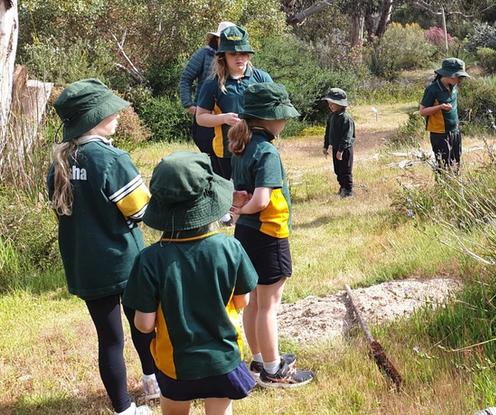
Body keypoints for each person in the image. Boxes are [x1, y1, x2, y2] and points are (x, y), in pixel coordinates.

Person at [47, 79, 158, 415]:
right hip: (124, 261)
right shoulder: (112, 158)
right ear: (94, 118)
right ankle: (154, 381)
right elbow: (141, 211)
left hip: (86, 264)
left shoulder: (59, 162)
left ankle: (123, 408)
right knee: (144, 324)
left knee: (109, 339)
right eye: (112, 111)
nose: (119, 116)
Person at [123, 152, 258, 415]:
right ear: (209, 203)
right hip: (222, 358)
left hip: (175, 364)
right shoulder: (230, 247)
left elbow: (144, 324)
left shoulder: (149, 259)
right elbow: (243, 301)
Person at [228, 82, 314, 387]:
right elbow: (262, 200)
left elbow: (238, 193)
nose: (286, 121)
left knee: (251, 302)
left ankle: (260, 359)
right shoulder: (266, 151)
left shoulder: (241, 145)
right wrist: (241, 210)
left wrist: (237, 213)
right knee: (269, 305)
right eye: (282, 115)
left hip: (246, 236)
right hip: (268, 234)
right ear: (268, 118)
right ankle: (274, 370)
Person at [195, 24, 273, 180]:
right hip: (226, 152)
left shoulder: (262, 79)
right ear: (223, 56)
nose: (240, 58)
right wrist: (223, 118)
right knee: (232, 198)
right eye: (233, 53)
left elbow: (276, 110)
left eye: (244, 53)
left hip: (259, 148)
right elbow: (200, 117)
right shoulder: (212, 83)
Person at [180, 21, 235, 157]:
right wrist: (189, 104)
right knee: (210, 154)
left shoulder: (236, 57)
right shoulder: (204, 54)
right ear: (217, 39)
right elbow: (186, 79)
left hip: (230, 115)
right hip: (206, 112)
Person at [419, 58, 470, 174]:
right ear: (449, 75)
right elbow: (422, 111)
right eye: (459, 77)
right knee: (443, 164)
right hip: (439, 133)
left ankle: (455, 187)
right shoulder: (432, 89)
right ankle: (443, 188)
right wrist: (440, 107)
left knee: (456, 162)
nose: (461, 80)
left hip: (455, 131)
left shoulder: (454, 86)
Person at [321, 88, 356, 197]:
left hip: (345, 149)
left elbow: (347, 136)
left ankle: (348, 191)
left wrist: (341, 150)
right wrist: (326, 146)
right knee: (338, 170)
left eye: (333, 104)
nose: (330, 106)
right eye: (329, 104)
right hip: (336, 147)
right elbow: (327, 132)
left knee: (346, 170)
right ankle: (342, 187)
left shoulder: (346, 118)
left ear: (341, 104)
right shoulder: (331, 117)